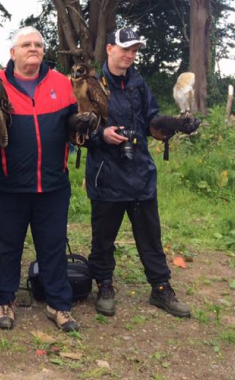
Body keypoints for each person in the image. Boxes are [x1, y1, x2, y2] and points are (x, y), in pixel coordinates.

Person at [0, 26, 84, 333]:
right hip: (7, 183)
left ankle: (58, 304)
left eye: (37, 44)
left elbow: (77, 127)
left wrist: (85, 131)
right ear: (13, 52)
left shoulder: (62, 84)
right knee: (5, 246)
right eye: (25, 44)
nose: (32, 48)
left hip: (52, 184)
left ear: (43, 51)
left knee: (53, 246)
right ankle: (4, 300)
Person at [84, 28, 199, 319]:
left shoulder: (139, 83)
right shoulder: (92, 85)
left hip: (140, 173)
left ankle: (160, 289)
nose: (130, 55)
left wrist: (173, 124)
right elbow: (79, 127)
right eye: (125, 49)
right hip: (106, 174)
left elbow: (152, 122)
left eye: (134, 50)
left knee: (150, 236)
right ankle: (104, 284)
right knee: (103, 238)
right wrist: (102, 134)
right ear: (109, 48)